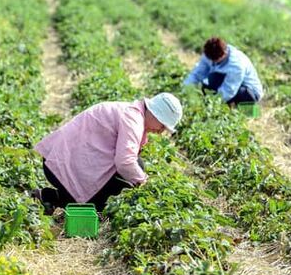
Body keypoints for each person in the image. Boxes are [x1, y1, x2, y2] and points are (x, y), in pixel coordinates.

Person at [31, 92, 183, 215]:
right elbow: (125, 162)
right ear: (155, 114)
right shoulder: (133, 119)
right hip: (60, 165)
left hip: (62, 161)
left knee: (130, 173)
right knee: (130, 175)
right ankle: (55, 198)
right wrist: (144, 183)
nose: (162, 131)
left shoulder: (133, 114)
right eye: (162, 125)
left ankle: (48, 197)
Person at [184, 37, 263, 107]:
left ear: (224, 54)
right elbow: (197, 74)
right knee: (208, 83)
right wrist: (185, 90)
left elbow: (229, 90)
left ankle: (241, 109)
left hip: (249, 92)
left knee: (242, 94)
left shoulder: (236, 65)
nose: (213, 63)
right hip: (227, 84)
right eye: (211, 60)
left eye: (216, 61)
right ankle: (227, 106)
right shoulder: (209, 54)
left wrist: (211, 104)